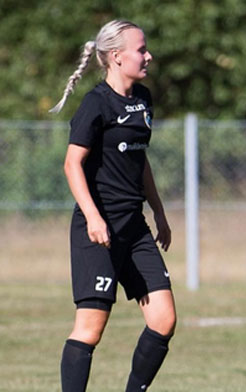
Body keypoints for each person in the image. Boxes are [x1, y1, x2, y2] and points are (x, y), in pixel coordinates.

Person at [50, 20, 176, 392]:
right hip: (99, 229)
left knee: (163, 320)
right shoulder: (96, 103)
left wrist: (159, 212)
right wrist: (92, 216)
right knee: (90, 329)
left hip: (135, 227)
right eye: (141, 50)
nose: (148, 55)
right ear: (117, 57)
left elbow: (141, 161)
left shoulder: (143, 99)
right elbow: (72, 164)